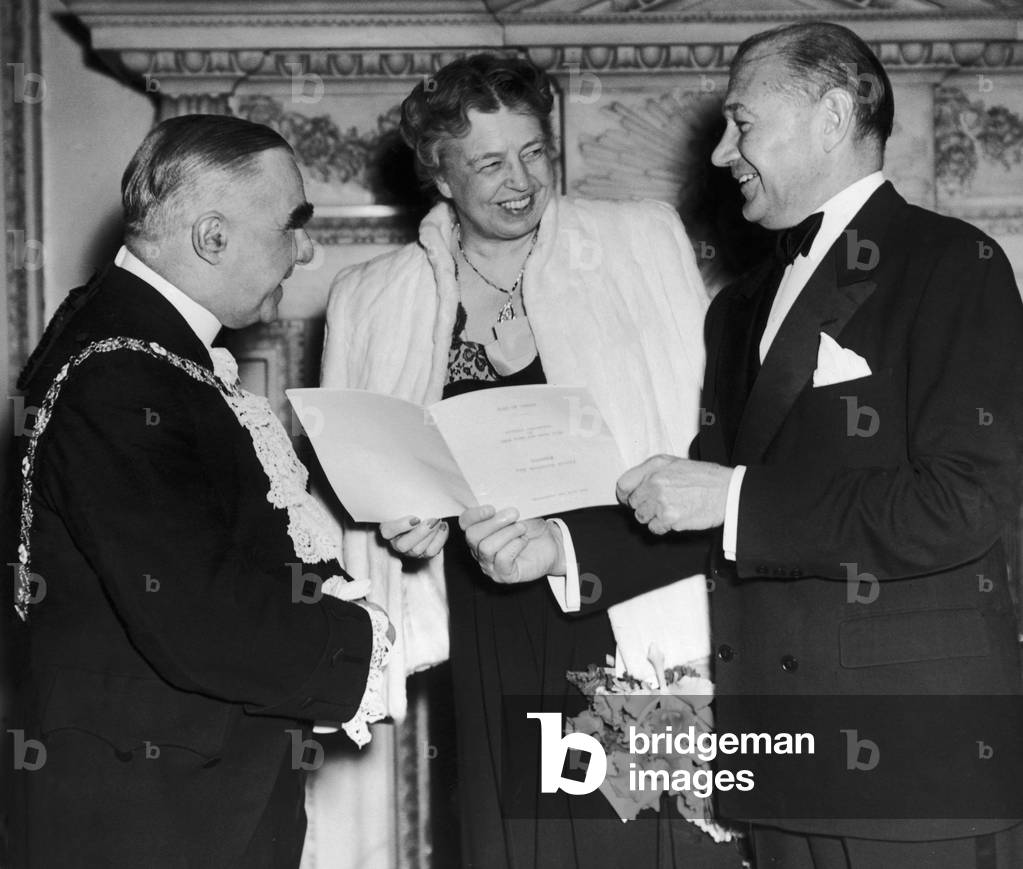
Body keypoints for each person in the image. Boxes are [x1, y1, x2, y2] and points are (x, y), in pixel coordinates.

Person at [464, 21, 1023, 869]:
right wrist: (558, 546)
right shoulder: (739, 307)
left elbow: (961, 503)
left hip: (917, 770)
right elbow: (704, 505)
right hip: (779, 762)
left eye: (742, 123)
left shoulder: (954, 263)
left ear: (833, 116)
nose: (723, 152)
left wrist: (729, 499)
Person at [321, 54, 743, 869]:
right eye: (486, 162)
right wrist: (402, 527)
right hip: (491, 610)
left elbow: (705, 432)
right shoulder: (375, 297)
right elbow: (367, 481)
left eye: (533, 153)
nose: (518, 181)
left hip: (632, 583)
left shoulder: (637, 242)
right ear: (438, 174)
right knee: (524, 843)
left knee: (656, 837)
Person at [12, 114, 392, 869]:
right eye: (292, 225)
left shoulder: (138, 343)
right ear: (212, 238)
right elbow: (196, 612)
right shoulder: (124, 371)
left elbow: (226, 539)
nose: (306, 248)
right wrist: (369, 646)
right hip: (149, 817)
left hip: (178, 790)